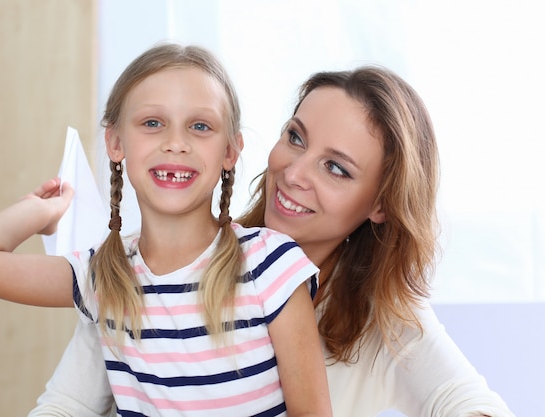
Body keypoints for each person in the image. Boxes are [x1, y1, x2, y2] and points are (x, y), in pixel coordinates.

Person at [26, 66, 516, 417]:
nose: (293, 173)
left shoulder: (385, 319)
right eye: (296, 138)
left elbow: (465, 400)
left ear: (381, 205)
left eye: (336, 168)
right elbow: (66, 405)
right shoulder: (161, 264)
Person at [0, 43, 333, 417]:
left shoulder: (271, 263)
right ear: (115, 143)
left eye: (199, 126)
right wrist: (40, 211)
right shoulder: (102, 278)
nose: (175, 143)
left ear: (230, 151)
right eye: (152, 123)